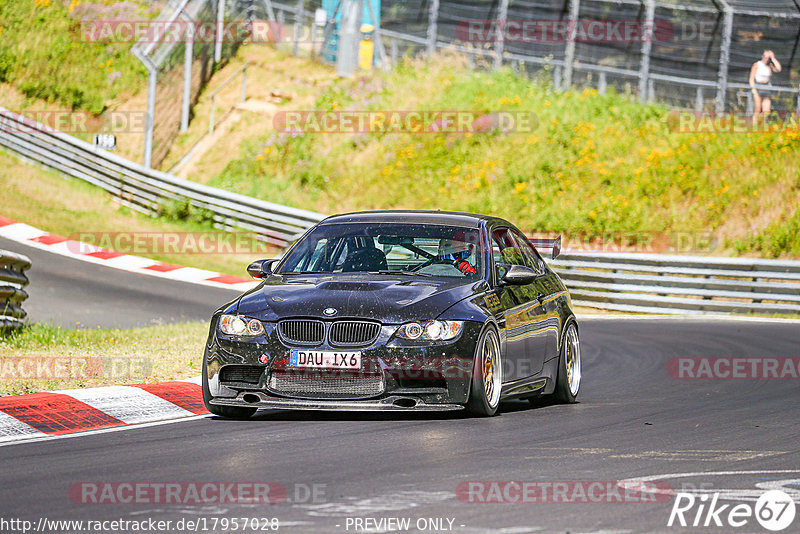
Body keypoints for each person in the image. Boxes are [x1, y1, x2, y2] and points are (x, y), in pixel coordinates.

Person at [749, 50, 781, 118]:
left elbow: (778, 69)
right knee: (757, 111)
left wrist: (773, 58)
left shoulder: (770, 65)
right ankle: (754, 126)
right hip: (758, 87)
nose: (766, 59)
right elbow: (751, 79)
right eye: (765, 57)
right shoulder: (757, 64)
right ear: (762, 56)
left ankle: (762, 126)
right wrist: (754, 90)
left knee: (766, 111)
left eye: (768, 57)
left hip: (766, 88)